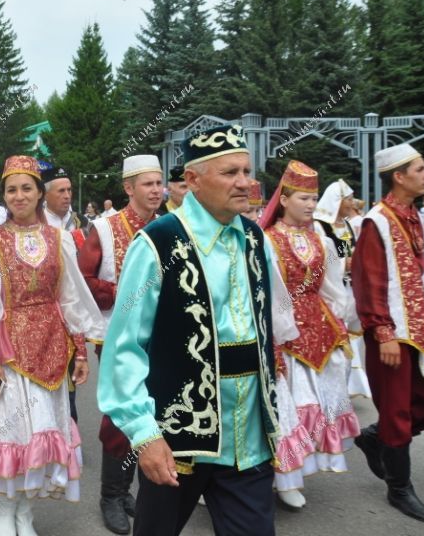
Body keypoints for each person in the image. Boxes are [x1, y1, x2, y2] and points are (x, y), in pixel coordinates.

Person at [98, 124, 297, 536]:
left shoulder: (255, 238)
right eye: (229, 173)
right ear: (192, 180)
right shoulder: (158, 243)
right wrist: (143, 433)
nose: (244, 183)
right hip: (179, 440)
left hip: (248, 440)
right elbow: (124, 347)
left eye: (246, 170)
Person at [0, 155, 103, 536]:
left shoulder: (59, 240)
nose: (19, 196)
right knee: (13, 431)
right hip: (10, 350)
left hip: (52, 349)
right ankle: (5, 510)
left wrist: (80, 350)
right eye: (11, 190)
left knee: (42, 428)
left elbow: (70, 297)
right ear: (3, 196)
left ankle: (25, 511)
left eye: (27, 188)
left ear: (40, 193)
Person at [258, 161, 359, 510]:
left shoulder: (319, 238)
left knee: (319, 402)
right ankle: (282, 478)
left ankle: (297, 472)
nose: (311, 204)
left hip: (319, 327)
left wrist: (339, 320)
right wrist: (275, 333)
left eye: (314, 198)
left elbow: (331, 287)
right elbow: (270, 293)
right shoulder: (268, 241)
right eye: (304, 197)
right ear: (283, 199)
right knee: (289, 407)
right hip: (285, 333)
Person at [78, 154, 164, 534]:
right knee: (119, 416)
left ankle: (139, 491)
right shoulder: (105, 228)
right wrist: (124, 293)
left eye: (159, 183)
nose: (157, 191)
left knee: (155, 411)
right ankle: (111, 494)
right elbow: (82, 280)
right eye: (148, 184)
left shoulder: (169, 226)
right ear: (128, 188)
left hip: (163, 338)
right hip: (117, 335)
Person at [352, 143, 424, 523]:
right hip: (391, 335)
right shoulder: (377, 221)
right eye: (420, 169)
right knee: (398, 410)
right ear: (399, 177)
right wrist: (382, 331)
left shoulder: (413, 215)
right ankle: (399, 488)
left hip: (420, 331)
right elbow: (369, 281)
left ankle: (375, 435)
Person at [314, 178, 371, 399]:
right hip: (331, 291)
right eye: (348, 199)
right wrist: (342, 263)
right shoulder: (321, 225)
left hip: (349, 288)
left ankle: (348, 386)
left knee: (350, 337)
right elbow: (320, 259)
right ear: (337, 200)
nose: (351, 203)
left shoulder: (346, 224)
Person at [42, 167, 87, 248]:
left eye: (69, 190)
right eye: (61, 191)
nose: (67, 196)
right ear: (45, 195)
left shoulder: (82, 221)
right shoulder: (36, 223)